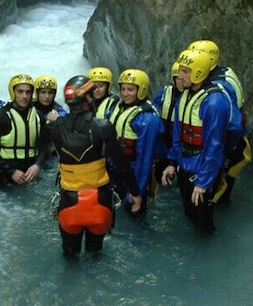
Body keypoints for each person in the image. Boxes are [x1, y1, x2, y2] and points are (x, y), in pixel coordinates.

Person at [40, 75, 142, 256]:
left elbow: (44, 149)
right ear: (88, 98)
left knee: (70, 254)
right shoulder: (103, 127)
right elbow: (122, 165)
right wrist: (135, 193)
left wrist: (50, 121)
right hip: (99, 201)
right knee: (95, 254)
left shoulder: (54, 128)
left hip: (69, 202)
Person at [161, 49, 233, 233]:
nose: (179, 76)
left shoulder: (214, 102)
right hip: (185, 164)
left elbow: (214, 146)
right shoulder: (185, 96)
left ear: (199, 72)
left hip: (202, 167)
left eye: (185, 71)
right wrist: (171, 162)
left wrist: (203, 181)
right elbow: (178, 134)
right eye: (180, 70)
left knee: (203, 222)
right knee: (189, 212)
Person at [188, 39, 252, 201]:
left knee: (216, 193)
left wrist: (221, 152)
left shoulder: (219, 87)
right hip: (231, 141)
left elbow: (233, 126)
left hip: (229, 145)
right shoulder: (224, 72)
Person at [105, 68, 165, 213]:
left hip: (133, 172)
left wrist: (136, 190)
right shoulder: (116, 108)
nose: (125, 93)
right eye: (123, 89)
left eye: (130, 90)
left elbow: (145, 157)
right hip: (115, 169)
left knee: (134, 213)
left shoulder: (147, 118)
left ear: (141, 90)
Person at [0, 73, 46, 186]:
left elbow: (44, 145)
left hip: (30, 172)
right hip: (4, 174)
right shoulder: (0, 117)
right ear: (13, 92)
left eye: (28, 92)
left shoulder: (38, 116)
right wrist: (11, 171)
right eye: (20, 91)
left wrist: (37, 165)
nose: (24, 96)